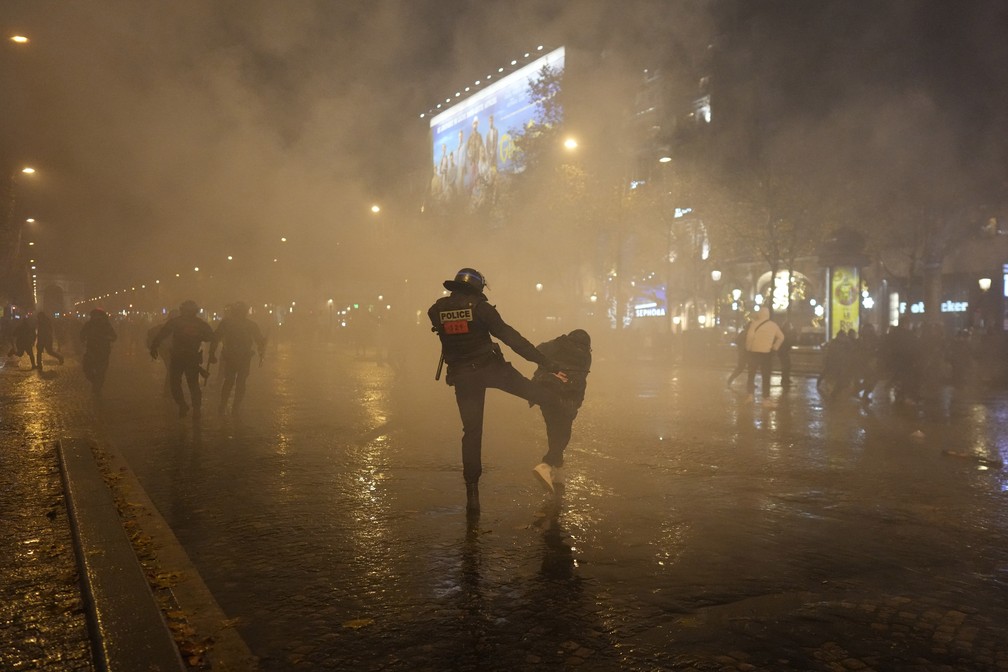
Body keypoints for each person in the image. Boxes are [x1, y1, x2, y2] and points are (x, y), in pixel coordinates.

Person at [428, 268, 572, 514]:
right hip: (492, 369)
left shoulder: (437, 309)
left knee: (472, 432)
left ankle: (472, 494)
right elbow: (512, 339)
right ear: (478, 287)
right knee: (546, 398)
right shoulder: (481, 308)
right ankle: (551, 461)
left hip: (463, 377)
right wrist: (547, 364)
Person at [531, 329, 591, 494]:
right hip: (565, 396)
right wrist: (575, 405)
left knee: (553, 430)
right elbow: (580, 382)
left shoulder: (556, 344)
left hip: (543, 391)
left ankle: (558, 473)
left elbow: (537, 350)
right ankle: (546, 465)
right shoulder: (585, 355)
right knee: (563, 433)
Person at [149, 299, 214, 419]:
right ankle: (193, 408)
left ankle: (188, 406)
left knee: (179, 384)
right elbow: (210, 337)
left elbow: (162, 334)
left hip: (181, 358)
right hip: (186, 358)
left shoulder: (177, 322)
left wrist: (154, 347)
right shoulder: (199, 324)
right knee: (189, 384)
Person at [208, 301, 267, 416]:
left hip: (236, 357)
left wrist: (211, 353)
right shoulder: (248, 324)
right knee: (238, 382)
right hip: (237, 357)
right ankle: (232, 407)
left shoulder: (228, 323)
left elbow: (215, 339)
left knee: (231, 382)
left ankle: (226, 405)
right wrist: (262, 344)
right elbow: (259, 341)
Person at [744, 306, 784, 401]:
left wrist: (748, 348)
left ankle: (750, 395)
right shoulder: (773, 325)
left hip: (754, 352)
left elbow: (749, 337)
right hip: (766, 353)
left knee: (751, 374)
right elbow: (781, 337)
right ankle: (766, 398)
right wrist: (774, 347)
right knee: (766, 376)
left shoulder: (754, 324)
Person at [79, 308, 117, 396]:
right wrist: (83, 339)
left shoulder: (106, 325)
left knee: (101, 371)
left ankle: (97, 387)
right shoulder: (89, 324)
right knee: (87, 369)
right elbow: (82, 334)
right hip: (91, 350)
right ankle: (96, 383)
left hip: (103, 351)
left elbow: (114, 337)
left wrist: (105, 338)